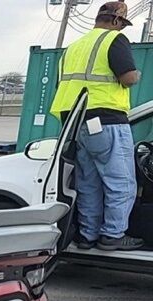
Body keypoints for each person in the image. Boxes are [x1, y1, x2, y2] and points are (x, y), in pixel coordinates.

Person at [51, 2, 143, 251]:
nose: (122, 29)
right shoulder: (114, 40)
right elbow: (128, 77)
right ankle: (113, 235)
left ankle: (87, 235)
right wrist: (137, 75)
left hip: (75, 122)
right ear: (115, 21)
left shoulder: (72, 48)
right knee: (121, 182)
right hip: (106, 121)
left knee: (88, 182)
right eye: (122, 24)